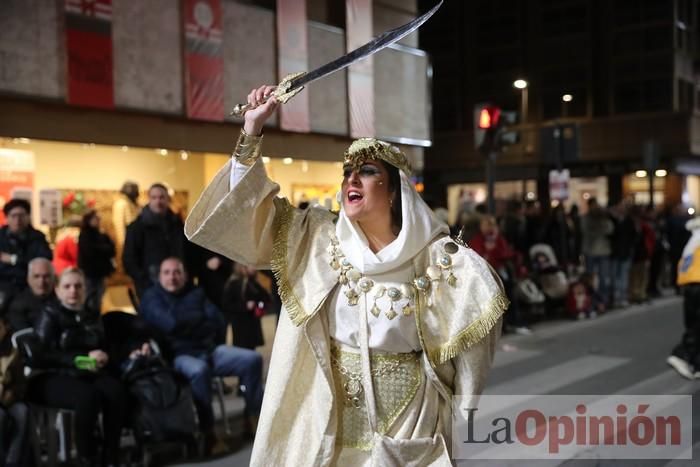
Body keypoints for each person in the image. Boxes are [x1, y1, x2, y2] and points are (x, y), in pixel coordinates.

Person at [184, 85, 507, 465]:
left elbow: (474, 344)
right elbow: (249, 219)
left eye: (367, 172)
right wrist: (251, 132)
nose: (351, 180)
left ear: (394, 191)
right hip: (329, 410)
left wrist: (457, 415)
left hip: (408, 417)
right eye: (348, 173)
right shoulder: (316, 238)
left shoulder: (437, 259)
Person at [139, 257, 263, 451]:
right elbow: (170, 323)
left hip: (208, 349)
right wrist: (198, 322)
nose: (172, 277)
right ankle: (208, 433)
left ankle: (253, 417)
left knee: (252, 359)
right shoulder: (152, 298)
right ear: (159, 276)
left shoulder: (196, 293)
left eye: (177, 272)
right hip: (177, 356)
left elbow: (218, 320)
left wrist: (189, 324)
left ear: (185, 275)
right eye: (167, 272)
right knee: (199, 371)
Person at [29, 268, 126, 467]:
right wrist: (78, 359)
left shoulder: (91, 314)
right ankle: (87, 457)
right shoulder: (49, 314)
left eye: (78, 286)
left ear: (85, 289)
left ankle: (111, 455)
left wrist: (104, 356)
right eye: (67, 286)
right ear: (57, 290)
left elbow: (103, 344)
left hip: (87, 372)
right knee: (88, 397)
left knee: (116, 391)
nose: (73, 290)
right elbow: (40, 356)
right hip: (52, 375)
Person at [123, 183, 187, 297]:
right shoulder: (136, 228)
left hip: (177, 285)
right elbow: (129, 258)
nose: (158, 201)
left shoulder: (178, 225)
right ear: (149, 199)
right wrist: (143, 280)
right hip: (149, 287)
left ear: (168, 199)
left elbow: (186, 251)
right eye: (154, 197)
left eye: (162, 197)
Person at [668, 216, 700, 379]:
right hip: (698, 283)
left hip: (690, 285)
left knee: (694, 324)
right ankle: (682, 354)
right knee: (696, 327)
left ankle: (696, 363)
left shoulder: (694, 238)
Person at [0, 199, 52, 298]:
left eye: (21, 215)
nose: (17, 220)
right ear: (7, 218)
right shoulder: (1, 237)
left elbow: (44, 260)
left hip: (30, 287)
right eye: (13, 216)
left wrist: (13, 259)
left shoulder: (37, 237)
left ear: (28, 216)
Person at [0, 314, 28, 467]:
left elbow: (20, 383)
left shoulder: (12, 352)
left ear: (5, 328)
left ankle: (13, 461)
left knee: (22, 411)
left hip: (8, 398)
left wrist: (11, 395)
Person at [222, 264, 269, 349]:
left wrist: (259, 306)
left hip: (252, 322)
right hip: (240, 323)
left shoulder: (253, 282)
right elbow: (227, 304)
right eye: (250, 265)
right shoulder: (233, 283)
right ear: (242, 267)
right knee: (242, 349)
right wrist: (245, 306)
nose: (254, 268)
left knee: (251, 348)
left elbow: (265, 298)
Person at [78, 210, 116, 314]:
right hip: (90, 272)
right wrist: (104, 249)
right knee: (90, 295)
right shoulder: (86, 235)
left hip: (100, 272)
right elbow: (90, 251)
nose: (98, 221)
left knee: (99, 294)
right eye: (96, 218)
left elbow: (111, 249)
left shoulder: (101, 234)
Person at [6, 258, 57, 331]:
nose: (41, 282)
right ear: (28, 279)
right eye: (36, 276)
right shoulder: (18, 306)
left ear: (54, 278)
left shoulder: (63, 300)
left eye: (46, 276)